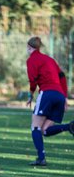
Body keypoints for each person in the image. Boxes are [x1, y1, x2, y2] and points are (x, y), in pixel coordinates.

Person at [26, 36, 73, 166]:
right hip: (59, 94)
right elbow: (62, 76)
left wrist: (31, 94)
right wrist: (64, 97)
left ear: (29, 47)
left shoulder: (32, 60)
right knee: (44, 130)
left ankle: (41, 158)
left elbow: (33, 79)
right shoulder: (49, 59)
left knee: (35, 127)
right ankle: (69, 127)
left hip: (47, 93)